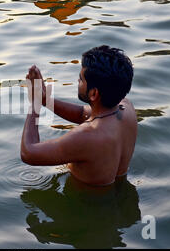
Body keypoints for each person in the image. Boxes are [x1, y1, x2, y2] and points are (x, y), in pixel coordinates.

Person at [20, 45, 137, 186]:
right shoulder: (127, 109)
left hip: (87, 203)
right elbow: (82, 113)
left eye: (81, 79)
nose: (78, 82)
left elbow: (28, 152)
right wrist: (45, 99)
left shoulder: (86, 136)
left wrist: (35, 102)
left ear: (94, 94)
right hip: (116, 193)